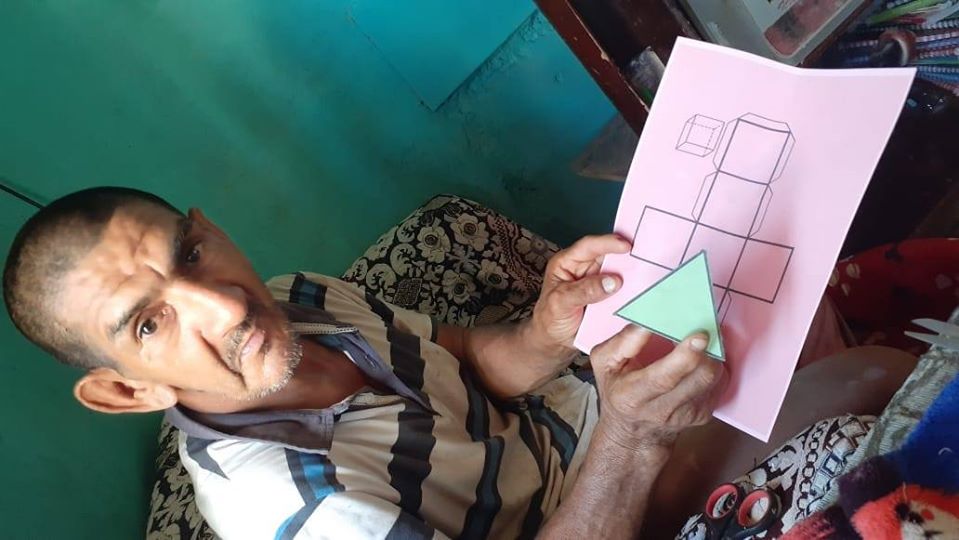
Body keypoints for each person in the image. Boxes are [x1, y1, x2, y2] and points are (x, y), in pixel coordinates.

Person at [3, 187, 916, 539]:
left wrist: (548, 329)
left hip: (572, 435)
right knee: (867, 382)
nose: (225, 307)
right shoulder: (293, 510)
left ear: (209, 226)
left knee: (781, 303)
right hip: (586, 511)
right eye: (150, 324)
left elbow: (467, 360)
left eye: (191, 254)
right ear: (122, 390)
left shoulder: (298, 297)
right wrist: (633, 440)